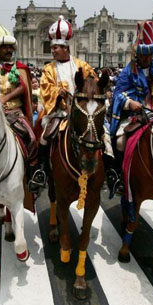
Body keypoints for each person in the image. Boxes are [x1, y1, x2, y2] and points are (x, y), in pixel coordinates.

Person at [29, 16, 96, 190]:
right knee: (45, 136)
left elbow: (94, 84)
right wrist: (57, 93)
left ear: (66, 48)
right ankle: (41, 170)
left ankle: (109, 170)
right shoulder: (49, 69)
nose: (52, 51)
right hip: (59, 113)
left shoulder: (83, 65)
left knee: (101, 135)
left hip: (82, 111)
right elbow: (46, 90)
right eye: (52, 48)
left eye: (56, 48)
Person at [108, 20, 153, 195]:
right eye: (143, 55)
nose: (147, 58)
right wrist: (130, 103)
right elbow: (118, 93)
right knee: (120, 141)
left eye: (150, 54)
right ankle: (119, 175)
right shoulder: (128, 71)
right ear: (137, 55)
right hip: (136, 116)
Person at [0, 24, 37, 187]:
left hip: (15, 113)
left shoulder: (20, 68)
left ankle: (31, 175)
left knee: (31, 138)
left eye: (11, 47)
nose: (9, 50)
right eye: (5, 47)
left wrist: (6, 98)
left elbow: (23, 87)